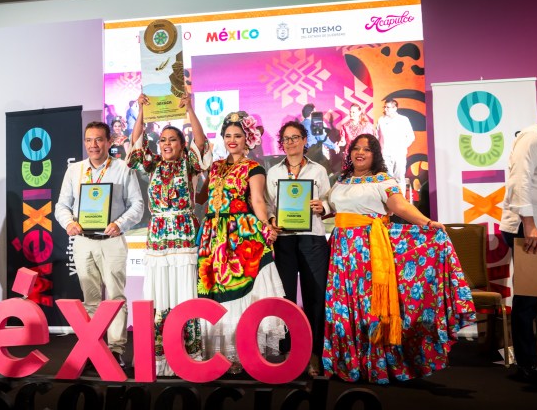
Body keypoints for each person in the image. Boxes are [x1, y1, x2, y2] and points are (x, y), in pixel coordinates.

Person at [322, 134, 475, 384]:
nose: (360, 153)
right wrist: (322, 207)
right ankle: (351, 362)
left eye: (366, 150)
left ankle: (376, 365)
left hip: (369, 251)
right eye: (356, 148)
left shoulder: (384, 180)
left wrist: (427, 223)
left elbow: (401, 206)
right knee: (345, 307)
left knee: (369, 306)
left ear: (375, 155)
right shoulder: (341, 180)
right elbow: (332, 204)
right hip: (341, 253)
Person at [127, 92, 211, 376]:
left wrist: (190, 109)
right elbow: (136, 145)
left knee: (184, 293)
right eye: (162, 140)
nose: (166, 144)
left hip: (184, 237)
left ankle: (188, 354)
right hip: (158, 238)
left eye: (172, 139)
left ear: (181, 144)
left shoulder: (189, 164)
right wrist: (141, 111)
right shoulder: (153, 165)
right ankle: (161, 357)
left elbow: (201, 143)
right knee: (158, 294)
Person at [196, 111, 285, 374]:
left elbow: (257, 200)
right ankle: (223, 354)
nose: (232, 140)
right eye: (228, 136)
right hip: (213, 236)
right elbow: (202, 197)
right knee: (216, 291)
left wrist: (266, 224)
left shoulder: (253, 167)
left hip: (239, 233)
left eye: (237, 135)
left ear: (248, 139)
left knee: (242, 289)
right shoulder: (215, 167)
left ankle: (244, 352)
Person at [54, 121, 144, 369]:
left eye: (99, 139)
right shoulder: (75, 170)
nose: (93, 145)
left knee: (115, 297)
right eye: (89, 140)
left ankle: (115, 350)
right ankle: (94, 348)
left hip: (112, 240)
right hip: (83, 242)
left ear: (109, 141)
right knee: (90, 299)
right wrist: (68, 222)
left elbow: (137, 205)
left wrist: (120, 224)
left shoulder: (123, 169)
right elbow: (61, 205)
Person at [265, 121, 331, 376]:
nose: (291, 142)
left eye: (295, 137)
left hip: (312, 238)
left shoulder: (318, 170)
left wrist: (323, 207)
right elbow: (268, 205)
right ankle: (290, 353)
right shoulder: (273, 172)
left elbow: (329, 201)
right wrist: (272, 219)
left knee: (315, 298)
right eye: (286, 138)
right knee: (287, 298)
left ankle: (314, 354)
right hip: (285, 239)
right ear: (281, 144)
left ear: (305, 140)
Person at [499, 96, 537, 387]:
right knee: (528, 297)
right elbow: (520, 180)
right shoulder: (534, 135)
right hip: (529, 227)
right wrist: (529, 225)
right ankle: (527, 364)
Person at [376, 98, 414, 195]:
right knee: (387, 178)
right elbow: (377, 136)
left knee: (399, 178)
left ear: (395, 108)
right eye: (385, 107)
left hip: (399, 154)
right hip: (385, 154)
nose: (385, 109)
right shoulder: (381, 120)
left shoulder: (403, 120)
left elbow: (411, 137)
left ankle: (401, 200)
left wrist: (402, 147)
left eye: (388, 107)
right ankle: (390, 201)